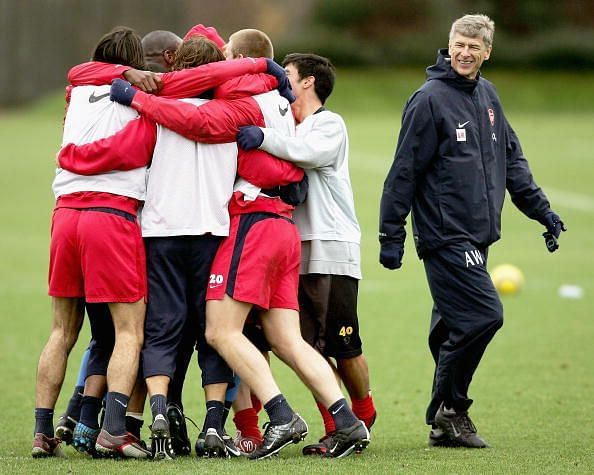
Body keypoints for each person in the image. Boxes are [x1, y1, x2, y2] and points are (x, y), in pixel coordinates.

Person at [109, 28, 371, 460]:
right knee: (286, 339)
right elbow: (275, 158)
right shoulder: (278, 97)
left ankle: (282, 415)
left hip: (253, 223)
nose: (222, 65)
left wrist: (136, 97)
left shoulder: (242, 98)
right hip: (284, 227)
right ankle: (346, 421)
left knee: (219, 330)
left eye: (229, 57)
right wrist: (286, 176)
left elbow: (201, 123)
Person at [60, 28, 296, 460]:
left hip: (159, 234)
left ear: (176, 63)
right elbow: (258, 162)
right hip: (212, 233)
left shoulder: (156, 109)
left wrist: (74, 154)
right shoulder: (236, 113)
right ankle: (212, 422)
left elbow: (131, 146)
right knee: (212, 334)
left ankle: (157, 412)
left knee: (159, 328)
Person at [378, 14, 566, 448]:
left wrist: (544, 213)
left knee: (448, 330)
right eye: (458, 44)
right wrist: (392, 236)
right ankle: (450, 408)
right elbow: (403, 172)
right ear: (449, 44)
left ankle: (445, 421)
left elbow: (513, 162)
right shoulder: (428, 100)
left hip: (478, 235)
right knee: (484, 316)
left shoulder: (488, 96)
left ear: (487, 52)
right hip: (446, 236)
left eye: (473, 47)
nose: (464, 52)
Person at [236, 52, 377, 456]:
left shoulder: (327, 124)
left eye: (289, 76)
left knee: (342, 346)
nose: (283, 82)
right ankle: (340, 424)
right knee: (301, 344)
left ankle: (362, 414)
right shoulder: (291, 126)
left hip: (330, 247)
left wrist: (261, 137)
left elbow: (308, 155)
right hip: (294, 250)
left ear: (309, 83)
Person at [32, 26, 151, 459]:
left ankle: (42, 432)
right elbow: (137, 152)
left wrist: (71, 159)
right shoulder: (142, 100)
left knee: (62, 330)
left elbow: (80, 70)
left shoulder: (77, 91)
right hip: (111, 216)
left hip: (65, 214)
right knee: (128, 331)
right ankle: (115, 430)